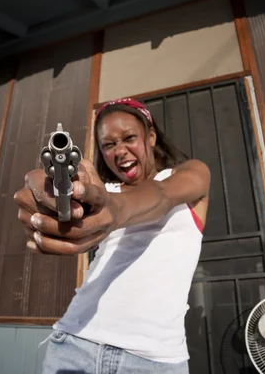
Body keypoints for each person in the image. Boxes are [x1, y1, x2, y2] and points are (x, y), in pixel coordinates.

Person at [14, 97, 211, 373]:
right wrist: (46, 203)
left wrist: (115, 210)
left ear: (151, 136)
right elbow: (73, 202)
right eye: (109, 144)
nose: (120, 151)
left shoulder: (191, 174)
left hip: (153, 360)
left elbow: (162, 194)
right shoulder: (106, 192)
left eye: (129, 137)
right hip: (74, 344)